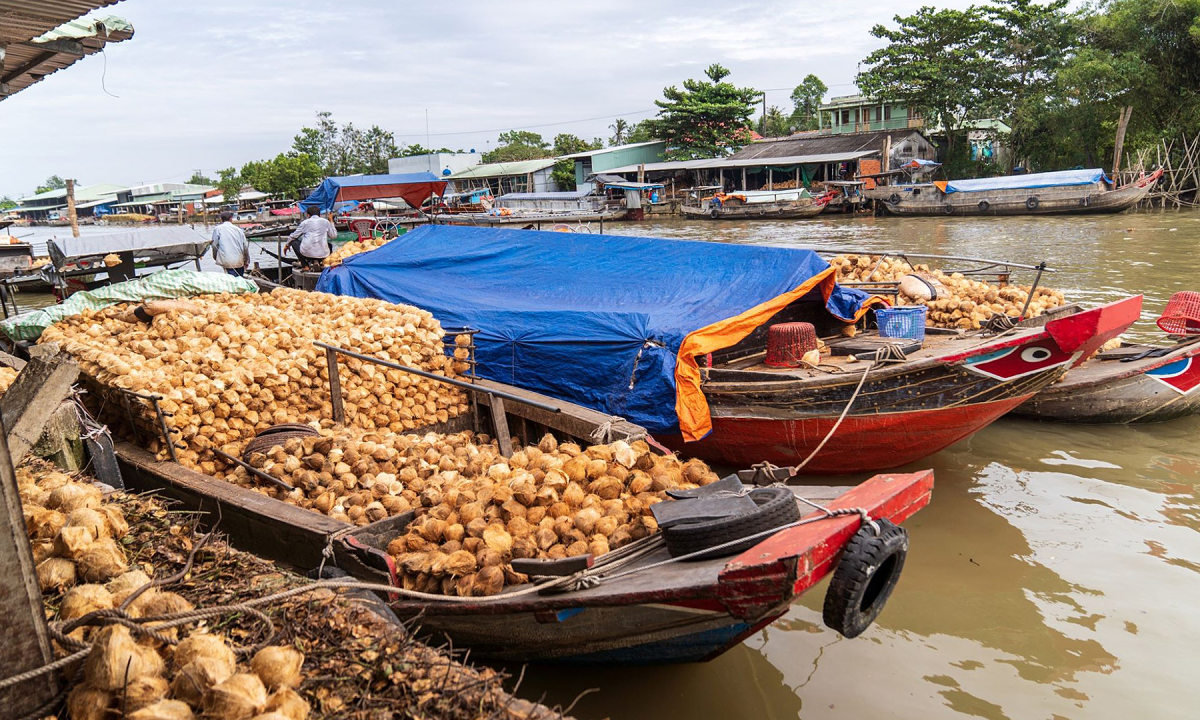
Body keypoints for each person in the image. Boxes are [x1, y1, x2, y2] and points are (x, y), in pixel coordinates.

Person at [210, 211, 249, 276]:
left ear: (221, 219)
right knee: (240, 279)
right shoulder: (238, 230)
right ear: (231, 219)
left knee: (232, 280)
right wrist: (246, 260)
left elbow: (214, 245)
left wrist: (215, 256)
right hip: (239, 260)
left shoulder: (218, 229)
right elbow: (245, 246)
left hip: (227, 261)